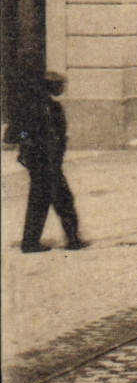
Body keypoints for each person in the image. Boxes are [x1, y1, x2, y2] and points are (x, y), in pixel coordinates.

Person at [10, 72, 86, 253]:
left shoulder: (52, 107)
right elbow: (15, 132)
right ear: (49, 86)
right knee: (53, 199)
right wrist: (27, 140)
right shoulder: (32, 107)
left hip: (51, 162)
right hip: (40, 162)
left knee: (52, 199)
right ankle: (36, 242)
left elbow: (58, 135)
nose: (61, 88)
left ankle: (65, 239)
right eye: (58, 85)